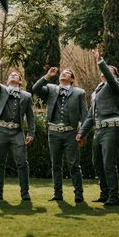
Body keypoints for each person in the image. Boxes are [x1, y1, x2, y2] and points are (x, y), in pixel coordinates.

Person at [32, 66, 87, 203]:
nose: (64, 73)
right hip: (54, 133)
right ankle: (58, 194)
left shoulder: (79, 93)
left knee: (74, 164)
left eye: (68, 73)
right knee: (55, 164)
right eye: (63, 72)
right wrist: (47, 76)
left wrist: (82, 133)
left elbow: (85, 115)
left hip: (71, 133)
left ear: (72, 79)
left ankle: (78, 194)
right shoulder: (51, 88)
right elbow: (35, 89)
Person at [77, 50, 119, 207]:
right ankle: (104, 194)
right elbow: (91, 115)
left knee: (108, 163)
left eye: (110, 69)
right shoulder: (96, 92)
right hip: (98, 130)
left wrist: (101, 62)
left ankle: (114, 196)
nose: (107, 71)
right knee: (97, 162)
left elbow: (110, 78)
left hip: (111, 128)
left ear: (114, 74)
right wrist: (82, 133)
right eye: (106, 69)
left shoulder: (117, 84)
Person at [0, 57, 35, 201]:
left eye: (16, 75)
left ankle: (25, 193)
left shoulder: (27, 96)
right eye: (11, 75)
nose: (13, 75)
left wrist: (31, 133)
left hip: (17, 133)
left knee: (22, 163)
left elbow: (31, 117)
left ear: (20, 81)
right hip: (1, 131)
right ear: (7, 81)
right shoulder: (1, 90)